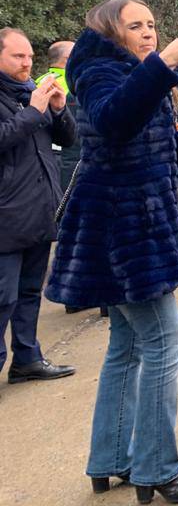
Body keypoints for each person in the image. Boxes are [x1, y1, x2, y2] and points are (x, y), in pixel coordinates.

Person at [43, 0, 178, 503]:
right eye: (135, 26)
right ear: (110, 31)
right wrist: (166, 63)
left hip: (127, 223)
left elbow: (126, 136)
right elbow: (113, 120)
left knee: (128, 343)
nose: (147, 32)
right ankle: (158, 469)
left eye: (152, 25)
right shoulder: (97, 68)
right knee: (164, 339)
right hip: (126, 228)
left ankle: (111, 458)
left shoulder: (122, 68)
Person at [0, 28, 77, 385]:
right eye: (18, 56)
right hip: (6, 215)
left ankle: (27, 359)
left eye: (30, 55)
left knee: (31, 291)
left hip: (39, 208)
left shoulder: (33, 92)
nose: (27, 62)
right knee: (3, 296)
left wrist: (59, 110)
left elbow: (66, 138)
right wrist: (34, 111)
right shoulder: (26, 101)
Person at [35, 40, 81, 190]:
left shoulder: (38, 82)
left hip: (42, 157)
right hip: (68, 160)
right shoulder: (72, 85)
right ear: (69, 59)